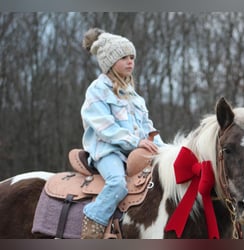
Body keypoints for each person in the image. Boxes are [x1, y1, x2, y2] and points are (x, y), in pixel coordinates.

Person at [80, 27, 164, 239]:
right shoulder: (97, 90)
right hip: (107, 151)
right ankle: (93, 224)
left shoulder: (134, 96)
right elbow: (105, 128)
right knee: (118, 183)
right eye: (124, 57)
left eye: (132, 57)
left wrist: (166, 149)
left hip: (134, 151)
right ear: (109, 62)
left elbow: (148, 127)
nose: (130, 62)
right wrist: (137, 142)